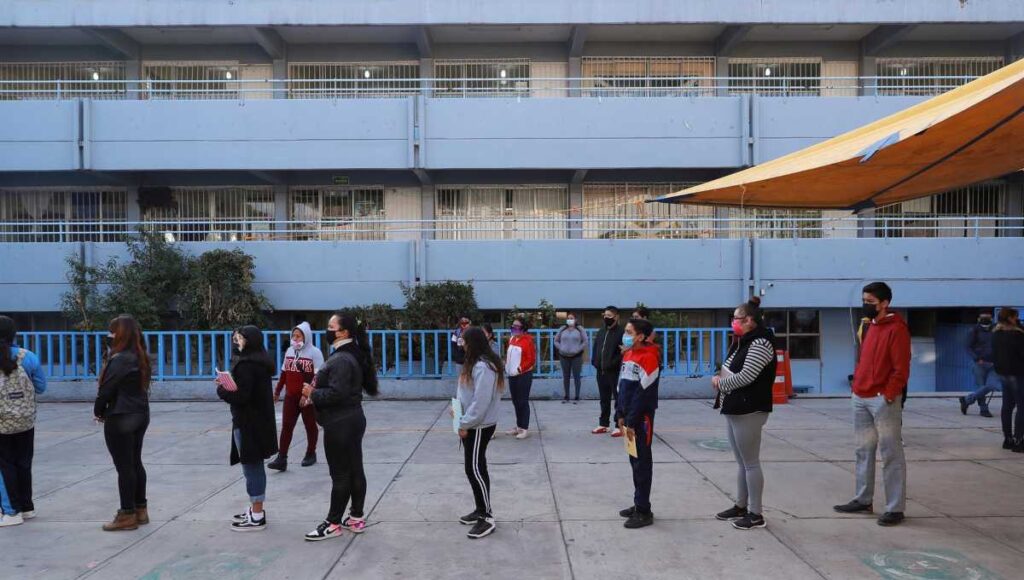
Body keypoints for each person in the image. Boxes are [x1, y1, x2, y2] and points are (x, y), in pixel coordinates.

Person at [834, 282, 910, 527]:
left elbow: (901, 368)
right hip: (861, 395)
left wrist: (889, 394)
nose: (865, 305)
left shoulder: (897, 329)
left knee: (891, 454)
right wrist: (857, 386)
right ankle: (863, 499)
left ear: (884, 303)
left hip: (882, 399)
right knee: (863, 450)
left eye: (870, 302)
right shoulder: (869, 326)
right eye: (864, 300)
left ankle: (895, 508)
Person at [303, 313, 379, 541]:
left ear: (344, 332)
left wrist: (312, 393)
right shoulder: (349, 354)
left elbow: (337, 394)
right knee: (355, 469)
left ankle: (333, 523)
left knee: (340, 474)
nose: (327, 330)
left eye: (331, 327)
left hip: (340, 423)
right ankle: (356, 517)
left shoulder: (341, 360)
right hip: (351, 419)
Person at [712, 297, 777, 531]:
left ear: (749, 320)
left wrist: (720, 383)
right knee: (742, 462)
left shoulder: (760, 343)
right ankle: (741, 505)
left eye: (737, 318)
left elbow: (747, 376)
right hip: (736, 406)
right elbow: (731, 367)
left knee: (750, 463)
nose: (733, 322)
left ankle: (755, 513)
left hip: (749, 408)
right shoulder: (744, 342)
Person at [94, 315, 151, 532]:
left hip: (120, 416)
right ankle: (140, 509)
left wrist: (98, 411)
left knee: (125, 467)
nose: (109, 335)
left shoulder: (120, 359)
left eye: (112, 331)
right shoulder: (139, 356)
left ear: (120, 334)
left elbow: (106, 389)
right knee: (135, 462)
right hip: (140, 413)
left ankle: (127, 513)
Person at [218, 326, 278, 532]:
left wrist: (222, 389)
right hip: (258, 422)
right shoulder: (261, 362)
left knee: (252, 468)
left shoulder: (246, 366)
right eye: (235, 338)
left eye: (240, 338)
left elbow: (242, 396)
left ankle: (257, 514)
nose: (236, 342)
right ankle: (255, 509)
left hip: (248, 423)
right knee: (254, 466)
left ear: (250, 341)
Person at [454, 326, 505, 539]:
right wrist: (458, 410)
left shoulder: (484, 367)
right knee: (476, 467)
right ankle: (480, 508)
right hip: (473, 422)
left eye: (464, 341)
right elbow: (468, 393)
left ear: (472, 343)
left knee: (474, 469)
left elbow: (481, 402)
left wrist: (465, 423)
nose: (461, 344)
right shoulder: (475, 363)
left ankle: (487, 516)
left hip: (479, 425)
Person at [0, 316, 46, 528]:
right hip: (25, 420)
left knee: (4, 465)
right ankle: (27, 507)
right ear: (14, 334)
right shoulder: (28, 357)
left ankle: (11, 511)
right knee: (23, 463)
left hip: (2, 423)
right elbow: (41, 387)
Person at [615, 318, 660, 529]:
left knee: (642, 463)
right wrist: (619, 414)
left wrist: (631, 420)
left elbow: (643, 394)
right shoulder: (628, 355)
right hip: (628, 418)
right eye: (625, 331)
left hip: (641, 420)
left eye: (629, 332)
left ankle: (644, 511)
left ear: (641, 336)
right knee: (634, 460)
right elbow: (621, 387)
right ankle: (638, 503)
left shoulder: (649, 358)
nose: (625, 335)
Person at [268, 322, 325, 471]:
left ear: (306, 337)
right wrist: (277, 391)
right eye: (293, 336)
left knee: (310, 425)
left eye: (298, 336)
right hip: (290, 397)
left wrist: (307, 396)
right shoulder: (289, 351)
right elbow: (284, 373)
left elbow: (318, 377)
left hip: (307, 397)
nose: (295, 339)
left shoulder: (315, 353)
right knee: (287, 426)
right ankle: (282, 458)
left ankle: (311, 453)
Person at [992, 308, 1024, 452]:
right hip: (1018, 373)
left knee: (1007, 406)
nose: (1018, 319)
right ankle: (1019, 440)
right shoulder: (1017, 335)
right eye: (1016, 317)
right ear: (1011, 318)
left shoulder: (996, 334)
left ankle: (1008, 438)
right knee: (1022, 407)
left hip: (1003, 373)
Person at [592, 307, 625, 437]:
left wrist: (613, 363)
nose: (606, 318)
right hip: (601, 370)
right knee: (604, 399)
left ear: (616, 317)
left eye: (609, 315)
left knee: (618, 399)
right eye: (605, 315)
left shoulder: (621, 333)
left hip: (614, 371)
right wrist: (595, 361)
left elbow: (622, 352)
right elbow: (596, 347)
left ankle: (619, 425)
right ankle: (604, 424)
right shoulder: (601, 331)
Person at [505, 317, 537, 440]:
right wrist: (507, 366)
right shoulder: (512, 339)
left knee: (523, 401)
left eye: (517, 326)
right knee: (515, 401)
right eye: (513, 325)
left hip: (523, 375)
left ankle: (524, 428)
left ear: (523, 328)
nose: (514, 328)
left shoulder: (528, 340)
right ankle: (519, 426)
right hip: (512, 375)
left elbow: (531, 359)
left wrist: (520, 369)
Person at [960, 312, 997, 418]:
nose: (985, 319)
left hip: (994, 363)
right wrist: (976, 358)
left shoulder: (996, 329)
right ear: (978, 318)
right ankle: (984, 409)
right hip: (979, 363)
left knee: (992, 385)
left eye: (987, 317)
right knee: (980, 386)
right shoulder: (974, 330)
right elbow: (967, 346)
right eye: (983, 317)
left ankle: (966, 400)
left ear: (991, 318)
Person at [554, 313, 588, 404]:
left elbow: (585, 341)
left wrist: (578, 349)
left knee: (577, 376)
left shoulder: (580, 329)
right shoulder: (562, 329)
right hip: (563, 356)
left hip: (576, 356)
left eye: (571, 318)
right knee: (566, 376)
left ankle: (577, 396)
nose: (570, 320)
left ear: (575, 319)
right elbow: (556, 340)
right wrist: (561, 348)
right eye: (568, 318)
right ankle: (566, 396)